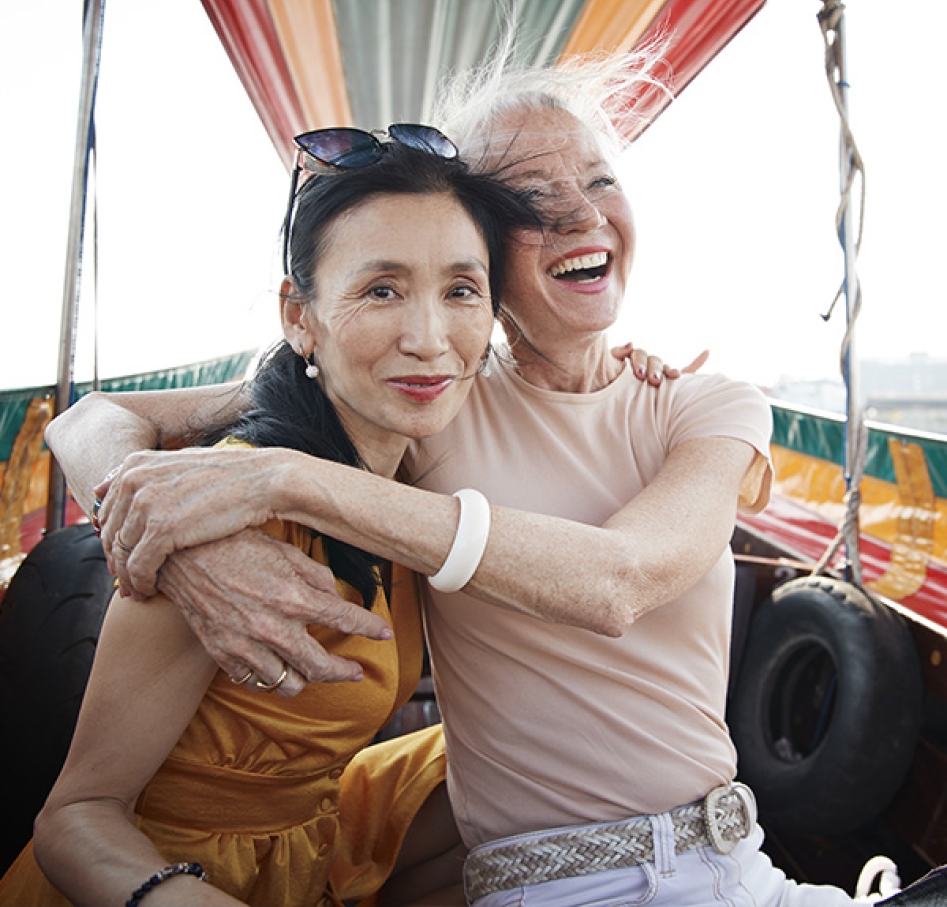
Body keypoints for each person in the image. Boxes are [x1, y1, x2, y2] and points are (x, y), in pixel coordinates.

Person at [44, 49, 890, 906]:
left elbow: (620, 580)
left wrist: (282, 481)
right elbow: (91, 420)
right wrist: (176, 542)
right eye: (531, 202)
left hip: (741, 864)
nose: (578, 215)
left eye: (599, 180)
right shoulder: (423, 397)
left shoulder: (699, 404)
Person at [0, 130, 546, 907]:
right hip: (168, 873)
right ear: (300, 315)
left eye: (460, 289)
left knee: (538, 760)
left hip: (311, 838)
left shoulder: (414, 466)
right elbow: (77, 816)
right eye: (381, 289)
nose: (428, 339)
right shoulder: (224, 516)